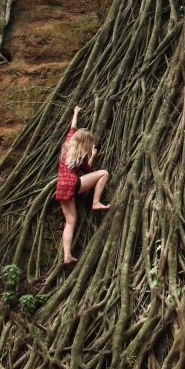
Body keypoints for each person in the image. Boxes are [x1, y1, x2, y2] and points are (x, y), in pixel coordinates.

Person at [53, 105, 110, 265]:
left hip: (61, 187)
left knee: (70, 221)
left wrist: (76, 113)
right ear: (86, 142)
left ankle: (67, 255)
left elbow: (73, 127)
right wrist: (93, 155)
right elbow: (87, 170)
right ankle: (96, 202)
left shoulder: (67, 143)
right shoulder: (82, 154)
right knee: (104, 173)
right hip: (74, 184)